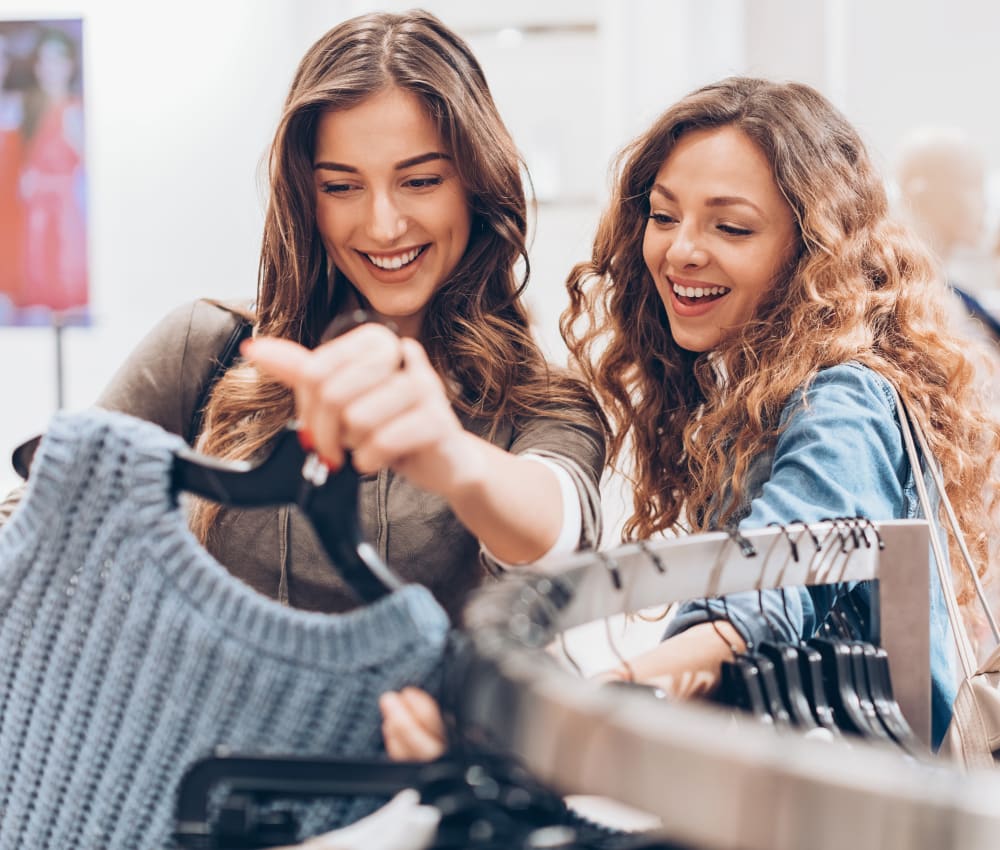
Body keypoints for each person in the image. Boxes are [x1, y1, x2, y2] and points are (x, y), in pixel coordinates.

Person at [1, 10, 605, 748]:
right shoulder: (210, 352)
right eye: (342, 186)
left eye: (419, 180)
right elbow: (41, 534)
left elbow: (553, 525)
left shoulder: (546, 405)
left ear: (475, 185)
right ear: (303, 195)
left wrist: (452, 458)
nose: (383, 225)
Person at [382, 76, 1000, 760]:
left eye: (730, 226)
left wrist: (568, 711)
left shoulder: (841, 399)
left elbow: (775, 577)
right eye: (665, 215)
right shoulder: (749, 390)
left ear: (813, 249)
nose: (680, 251)